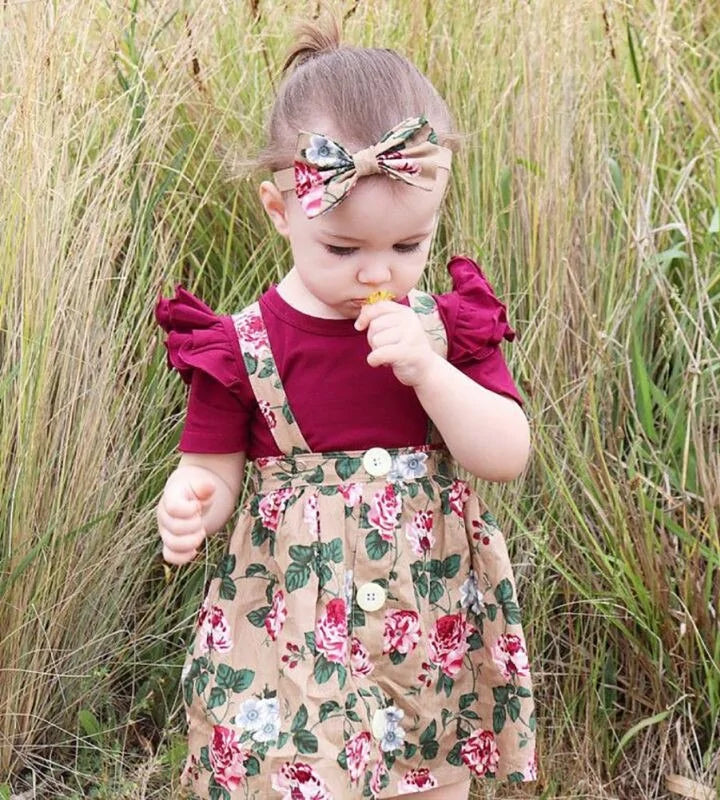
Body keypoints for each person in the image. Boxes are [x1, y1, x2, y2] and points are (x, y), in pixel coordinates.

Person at [155, 19, 538, 800]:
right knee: (291, 777)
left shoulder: (447, 328)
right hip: (289, 632)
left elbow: (506, 452)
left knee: (430, 773)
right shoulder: (240, 347)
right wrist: (190, 501)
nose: (379, 272)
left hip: (424, 623)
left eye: (407, 246)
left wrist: (428, 370)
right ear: (279, 209)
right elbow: (212, 472)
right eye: (342, 249)